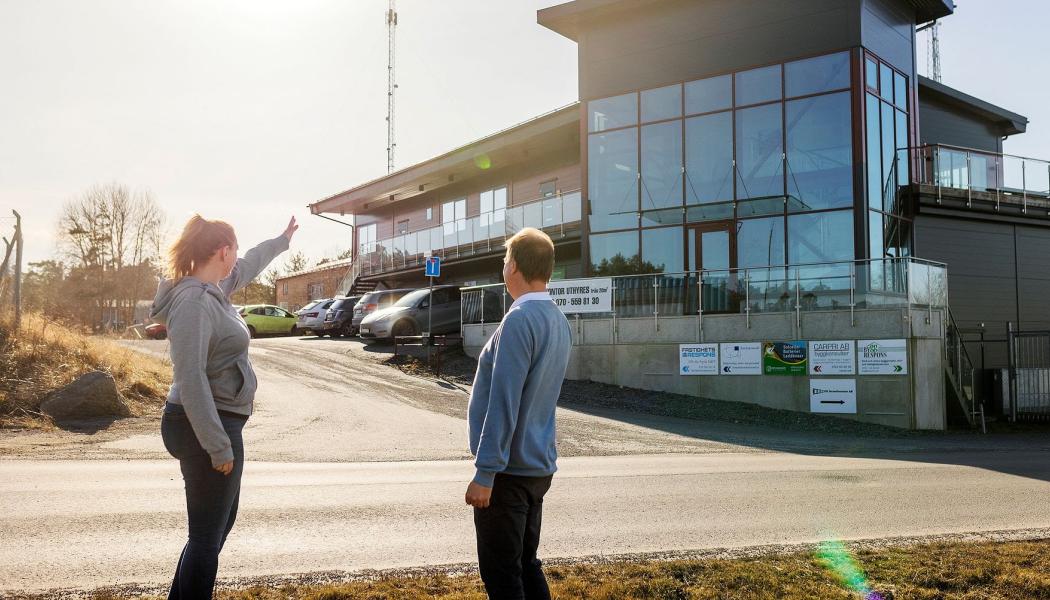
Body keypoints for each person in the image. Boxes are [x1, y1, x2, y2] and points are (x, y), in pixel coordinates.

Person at [150, 214, 297, 599]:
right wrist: (217, 444)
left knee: (213, 530)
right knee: (205, 536)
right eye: (233, 248)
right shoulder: (194, 302)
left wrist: (281, 241)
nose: (236, 257)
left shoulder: (213, 287)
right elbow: (191, 376)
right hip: (204, 425)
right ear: (222, 250)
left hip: (216, 420)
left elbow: (248, 265)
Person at [465, 227, 572, 600]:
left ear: (514, 266)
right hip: (536, 466)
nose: (503, 266)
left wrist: (485, 472)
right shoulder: (558, 319)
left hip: (508, 473)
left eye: (505, 259)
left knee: (503, 577)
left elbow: (504, 401)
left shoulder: (519, 319)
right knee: (526, 566)